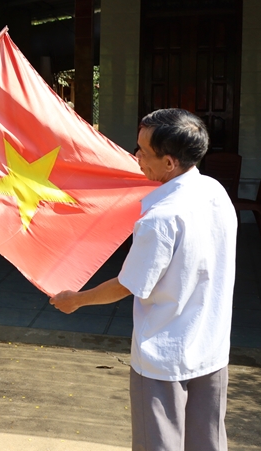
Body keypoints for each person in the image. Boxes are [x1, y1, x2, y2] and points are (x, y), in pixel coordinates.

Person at [50, 108, 237, 451]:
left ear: (169, 163)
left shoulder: (161, 218)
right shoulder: (215, 192)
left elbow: (128, 284)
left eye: (143, 151)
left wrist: (76, 300)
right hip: (211, 345)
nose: (135, 156)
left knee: (159, 443)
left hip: (165, 354)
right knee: (208, 442)